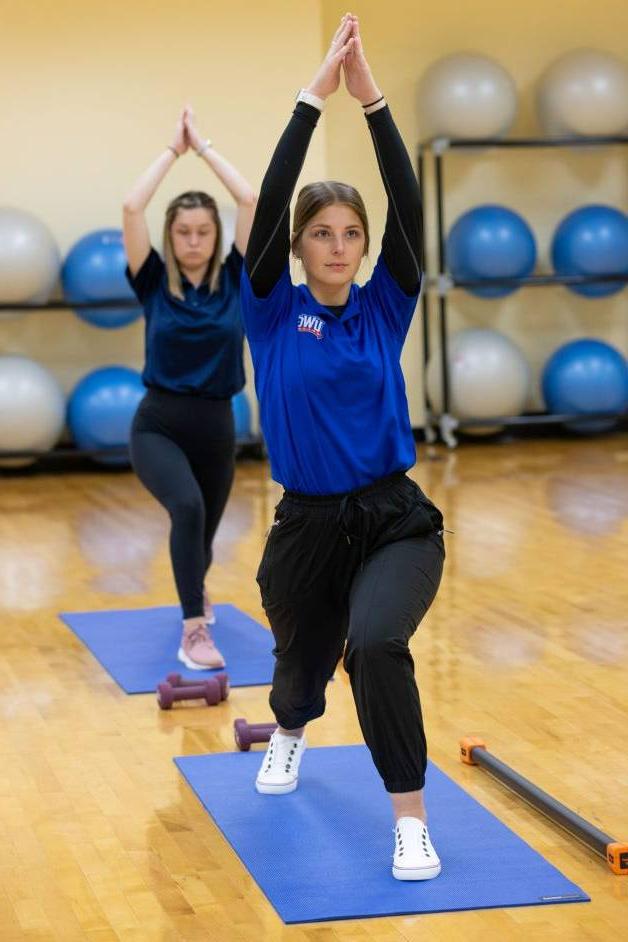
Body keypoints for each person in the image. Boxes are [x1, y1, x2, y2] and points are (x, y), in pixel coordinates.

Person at [241, 14, 446, 881]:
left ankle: (410, 821)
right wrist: (309, 98)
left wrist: (372, 102)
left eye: (349, 235)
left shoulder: (383, 307)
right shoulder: (270, 307)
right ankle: (289, 728)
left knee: (374, 647)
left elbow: (409, 199)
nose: (336, 246)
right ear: (297, 245)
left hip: (397, 521)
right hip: (308, 527)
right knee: (299, 671)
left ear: (365, 247)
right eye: (320, 233)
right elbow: (272, 191)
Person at [122, 106, 256, 670]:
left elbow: (250, 201)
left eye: (203, 231)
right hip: (159, 423)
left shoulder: (235, 280)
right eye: (183, 232)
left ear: (215, 235)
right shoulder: (152, 280)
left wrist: (204, 147)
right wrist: (172, 152)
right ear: (171, 237)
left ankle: (194, 588)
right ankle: (194, 631)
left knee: (202, 534)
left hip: (218, 423)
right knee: (186, 506)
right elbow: (132, 207)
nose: (194, 240)